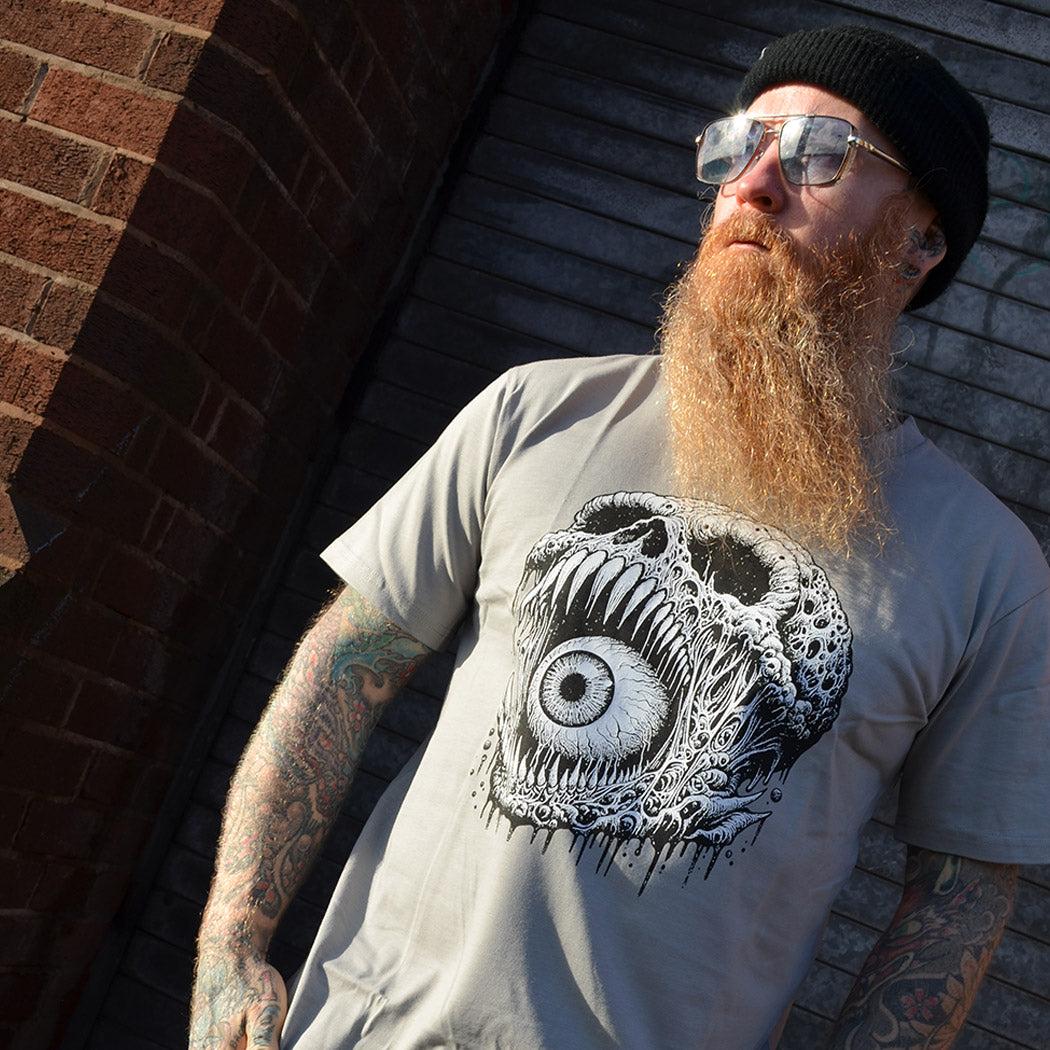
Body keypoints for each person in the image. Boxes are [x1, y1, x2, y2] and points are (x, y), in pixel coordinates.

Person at [190, 24, 1050, 1050]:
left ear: (921, 240)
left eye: (822, 153)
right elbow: (345, 665)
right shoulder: (537, 414)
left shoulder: (985, 569)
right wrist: (231, 947)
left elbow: (957, 892)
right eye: (738, 146)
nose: (756, 183)